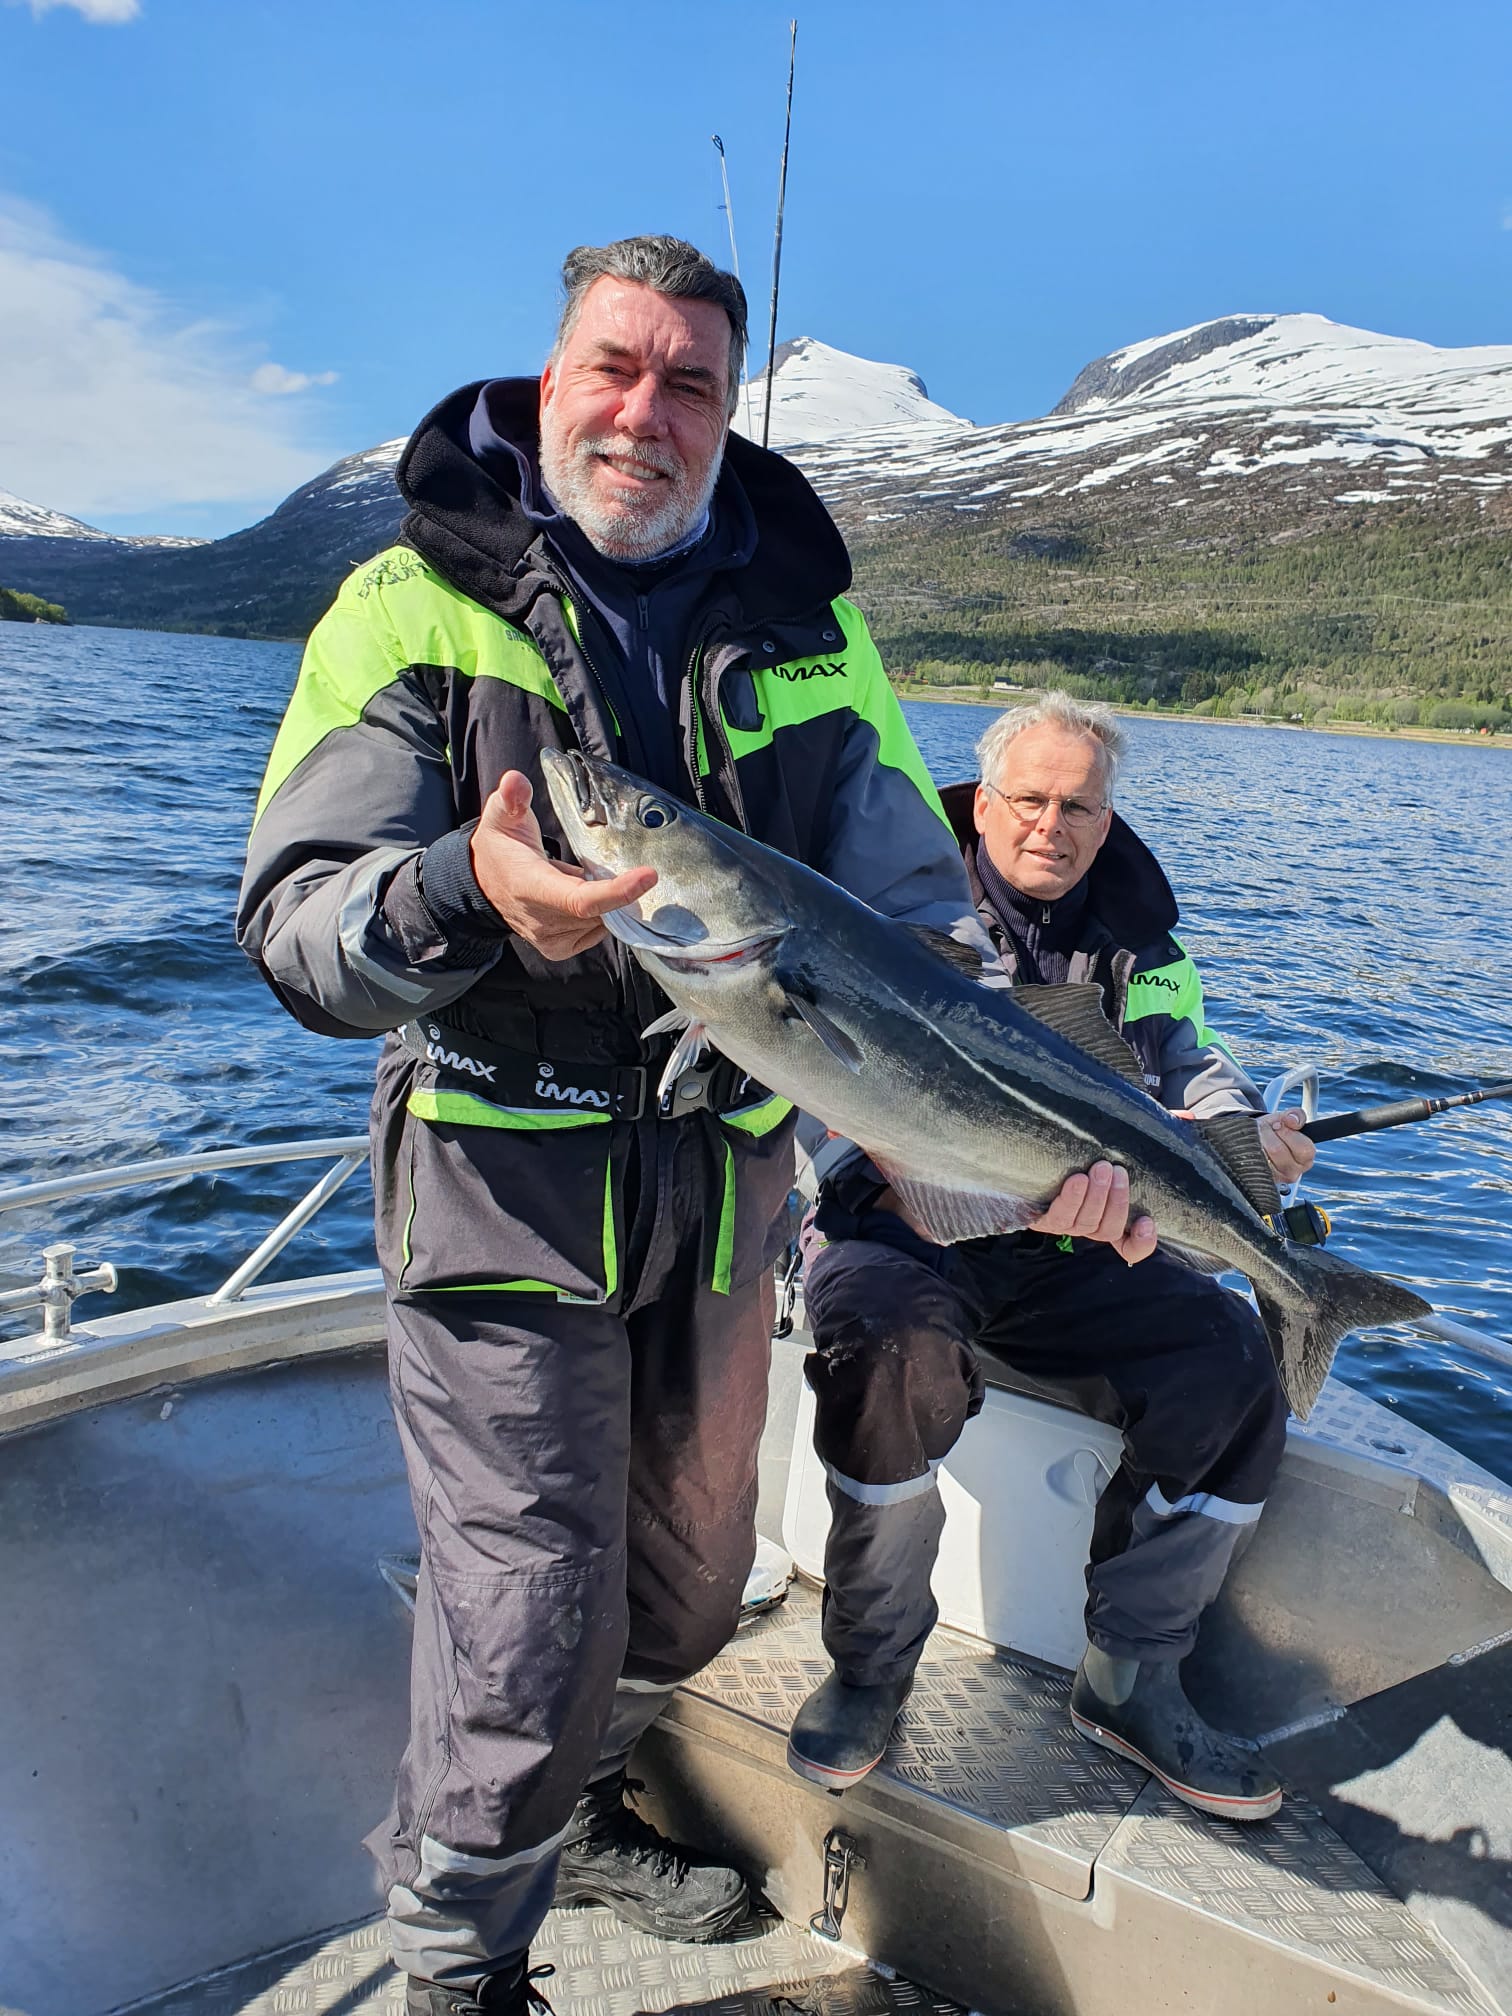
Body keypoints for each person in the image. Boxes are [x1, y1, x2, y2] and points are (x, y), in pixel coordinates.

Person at [239, 235, 1092, 2016]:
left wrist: (1035, 1134)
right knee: (529, 1618)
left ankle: (578, 1799)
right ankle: (457, 1973)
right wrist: (459, 900)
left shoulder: (813, 623)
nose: (646, 412)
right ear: (549, 384)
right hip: (498, 1179)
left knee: (689, 1597)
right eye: (612, 371)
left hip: (717, 1190)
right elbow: (300, 927)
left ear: (722, 408)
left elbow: (919, 929)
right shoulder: (407, 612)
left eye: (689, 381)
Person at [788, 690, 1315, 1824]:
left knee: (1230, 1358)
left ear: (1109, 821)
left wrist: (1252, 1143)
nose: (1052, 823)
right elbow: (827, 1079)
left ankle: (1132, 1674)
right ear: (981, 804)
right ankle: (871, 1666)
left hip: (1079, 1240)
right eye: (1029, 798)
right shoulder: (898, 908)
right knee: (886, 1352)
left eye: (1080, 805)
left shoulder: (1139, 940)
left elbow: (1194, 1066)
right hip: (898, 1219)